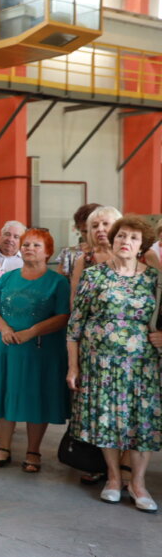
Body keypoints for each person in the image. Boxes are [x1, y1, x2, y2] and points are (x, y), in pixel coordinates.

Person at [66, 215, 161, 511]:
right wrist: (73, 366)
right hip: (100, 365)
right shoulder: (94, 276)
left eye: (133, 238)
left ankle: (138, 484)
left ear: (142, 245)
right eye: (121, 235)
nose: (125, 241)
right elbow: (75, 325)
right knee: (106, 421)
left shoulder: (154, 278)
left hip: (142, 366)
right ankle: (114, 478)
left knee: (141, 423)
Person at [0, 229, 70, 472]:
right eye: (26, 244)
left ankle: (33, 451)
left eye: (36, 245)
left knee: (37, 397)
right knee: (6, 395)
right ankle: (4, 447)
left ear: (48, 252)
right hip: (8, 348)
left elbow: (64, 316)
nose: (29, 248)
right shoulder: (7, 278)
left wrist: (31, 332)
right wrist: (3, 328)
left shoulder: (58, 282)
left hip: (43, 350)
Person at [69, 205, 121, 302]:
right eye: (95, 226)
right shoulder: (84, 260)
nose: (100, 229)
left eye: (105, 224)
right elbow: (75, 296)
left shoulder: (136, 256)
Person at [57, 203, 100, 279]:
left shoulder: (117, 252)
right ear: (78, 229)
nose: (89, 236)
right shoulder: (70, 254)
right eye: (85, 231)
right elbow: (60, 283)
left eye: (93, 229)